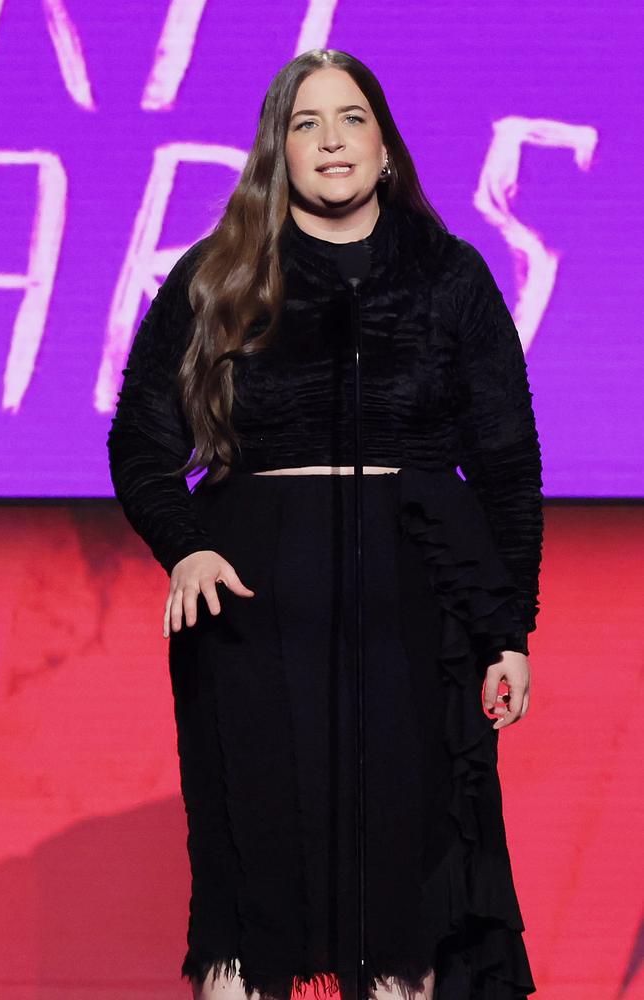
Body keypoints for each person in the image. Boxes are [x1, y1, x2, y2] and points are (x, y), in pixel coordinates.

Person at [107, 48, 543, 1000]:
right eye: (306, 123)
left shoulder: (450, 277)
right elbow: (140, 447)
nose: (331, 139)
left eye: (350, 118)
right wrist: (186, 550)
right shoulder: (218, 274)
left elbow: (508, 462)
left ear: (384, 145)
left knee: (408, 880)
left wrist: (508, 632)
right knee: (248, 875)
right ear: (279, 152)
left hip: (416, 600)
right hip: (254, 605)